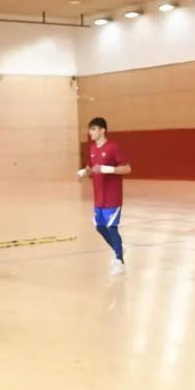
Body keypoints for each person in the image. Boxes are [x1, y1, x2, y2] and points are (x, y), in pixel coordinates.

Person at [77, 116, 132, 275]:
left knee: (112, 227)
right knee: (100, 227)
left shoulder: (113, 148)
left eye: (93, 129)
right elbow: (92, 168)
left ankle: (119, 261)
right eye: (90, 129)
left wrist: (108, 169)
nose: (90, 132)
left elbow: (127, 168)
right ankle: (118, 247)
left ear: (102, 130)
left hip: (112, 196)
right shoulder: (93, 149)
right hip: (98, 197)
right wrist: (83, 172)